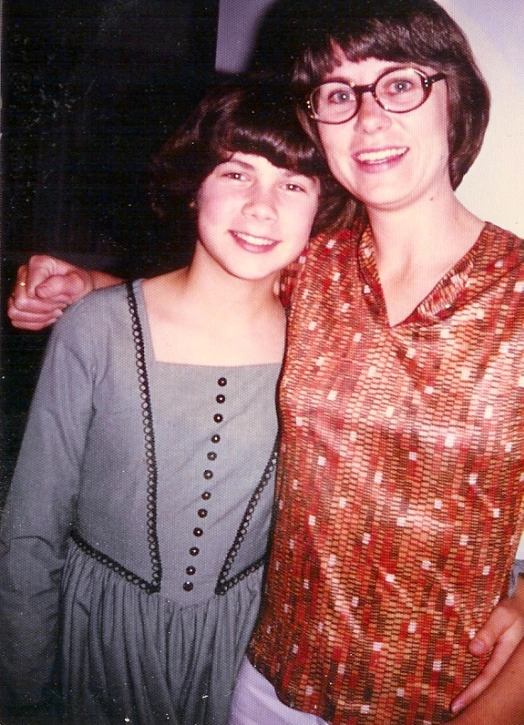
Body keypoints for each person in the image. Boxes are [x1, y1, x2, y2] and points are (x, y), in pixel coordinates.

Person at [7, 0, 524, 725]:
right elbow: (210, 293)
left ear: (457, 98)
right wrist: (86, 286)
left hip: (449, 697)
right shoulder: (313, 271)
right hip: (265, 687)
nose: (368, 117)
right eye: (337, 94)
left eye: (399, 83)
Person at [0, 82, 347, 725]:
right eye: (236, 172)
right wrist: (21, 684)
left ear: (321, 209)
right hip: (98, 636)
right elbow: (32, 522)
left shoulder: (322, 348)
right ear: (193, 185)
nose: (262, 208)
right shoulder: (96, 328)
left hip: (244, 653)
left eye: (294, 184)